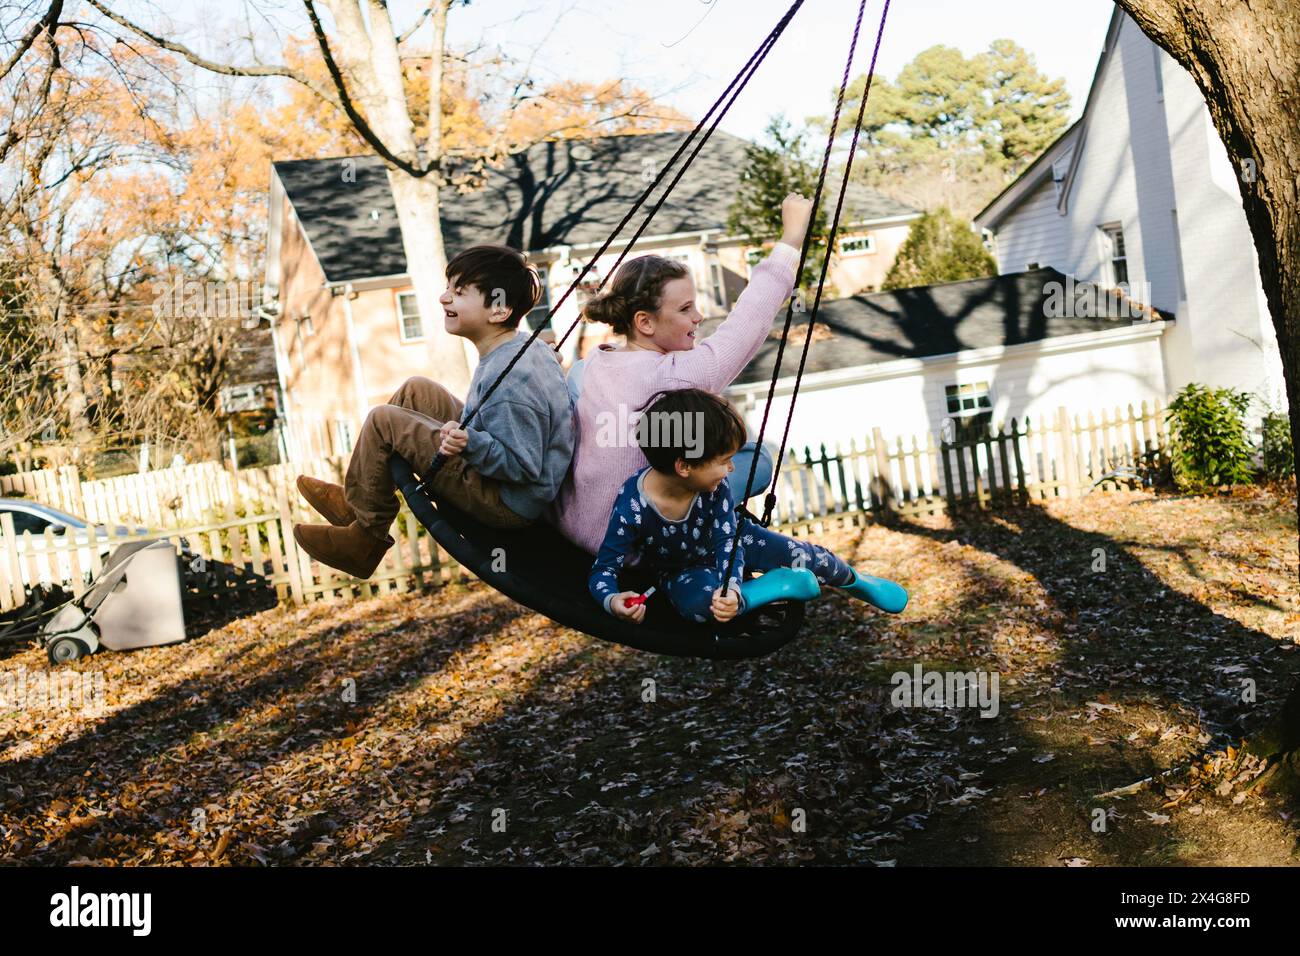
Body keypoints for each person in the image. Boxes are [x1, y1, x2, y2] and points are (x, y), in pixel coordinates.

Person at [293, 245, 576, 579]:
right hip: (500, 474)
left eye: (458, 292)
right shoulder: (518, 347)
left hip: (506, 502)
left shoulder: (509, 385)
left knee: (383, 420)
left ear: (498, 311)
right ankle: (360, 507)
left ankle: (364, 540)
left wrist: (471, 443)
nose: (444, 298)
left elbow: (522, 466)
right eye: (448, 288)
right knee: (416, 391)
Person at [557, 192, 813, 556]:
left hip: (577, 527)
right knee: (756, 457)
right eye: (685, 309)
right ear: (644, 322)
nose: (698, 317)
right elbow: (749, 319)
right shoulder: (679, 374)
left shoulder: (590, 367)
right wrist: (791, 240)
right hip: (633, 547)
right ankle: (716, 534)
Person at [589, 389, 908, 625]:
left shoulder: (716, 488)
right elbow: (604, 569)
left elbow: (727, 541)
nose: (729, 469)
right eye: (724, 461)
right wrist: (612, 600)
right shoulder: (632, 506)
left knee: (808, 555)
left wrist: (730, 584)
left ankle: (855, 580)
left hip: (736, 540)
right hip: (680, 569)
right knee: (703, 609)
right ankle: (772, 587)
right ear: (685, 466)